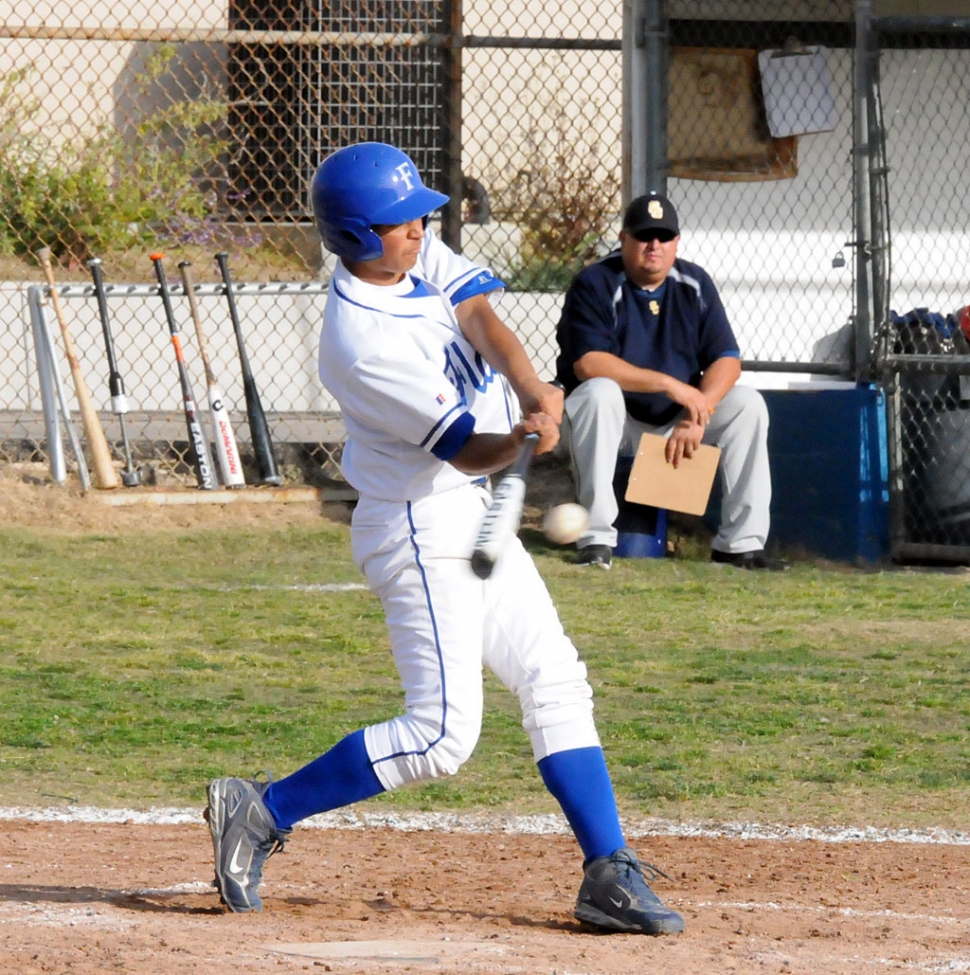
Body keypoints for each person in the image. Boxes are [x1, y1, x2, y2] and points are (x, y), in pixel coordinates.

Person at [204, 143, 684, 936]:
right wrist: (522, 438)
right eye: (403, 220)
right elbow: (464, 446)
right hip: (419, 526)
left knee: (552, 672)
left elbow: (478, 314)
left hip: (466, 507)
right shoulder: (361, 343)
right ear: (360, 237)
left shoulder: (414, 252)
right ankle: (261, 808)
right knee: (440, 734)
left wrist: (531, 387)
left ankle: (607, 870)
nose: (423, 224)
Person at [555, 191, 786, 571]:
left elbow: (727, 361)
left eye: (664, 237)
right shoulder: (595, 282)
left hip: (673, 423)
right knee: (599, 393)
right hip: (613, 422)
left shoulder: (694, 283)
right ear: (623, 238)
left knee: (747, 404)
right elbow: (589, 364)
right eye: (644, 236)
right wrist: (669, 384)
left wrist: (699, 412)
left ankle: (739, 545)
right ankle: (596, 538)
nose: (654, 245)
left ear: (677, 241)